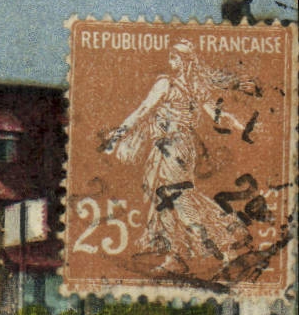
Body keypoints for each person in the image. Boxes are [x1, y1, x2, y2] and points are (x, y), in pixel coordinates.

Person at [100, 41, 260, 275]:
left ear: (183, 61)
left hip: (173, 148)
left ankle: (227, 247)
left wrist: (117, 137)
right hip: (178, 147)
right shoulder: (195, 88)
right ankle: (175, 256)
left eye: (174, 58)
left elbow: (143, 110)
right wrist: (240, 125)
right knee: (162, 198)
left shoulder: (167, 84)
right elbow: (218, 115)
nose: (170, 62)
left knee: (179, 196)